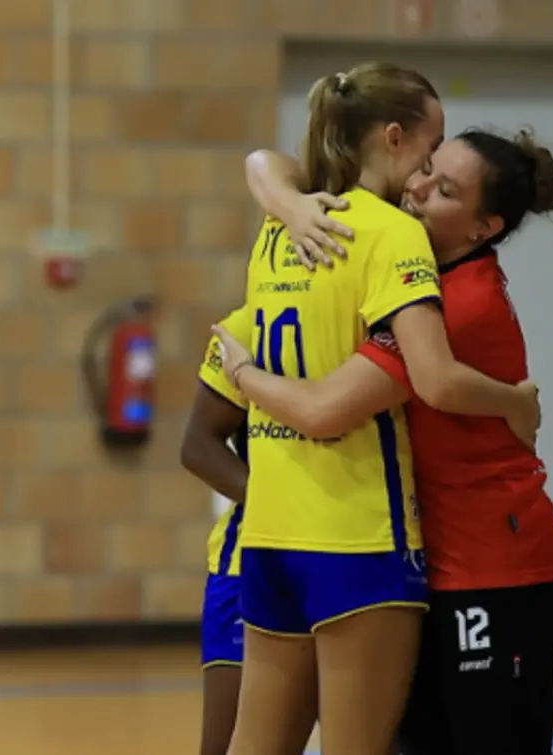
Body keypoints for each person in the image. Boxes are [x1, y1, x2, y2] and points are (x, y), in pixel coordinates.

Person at [214, 126, 553, 755]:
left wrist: (241, 372)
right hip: (433, 564)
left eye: (443, 190)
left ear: (482, 226)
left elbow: (329, 407)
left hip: (494, 568)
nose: (416, 189)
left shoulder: (451, 305)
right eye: (427, 167)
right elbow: (262, 160)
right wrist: (293, 204)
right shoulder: (409, 274)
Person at [181, 307, 316, 755]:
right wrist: (280, 506)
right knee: (228, 743)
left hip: (360, 551)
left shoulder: (384, 325)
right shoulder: (245, 329)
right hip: (251, 559)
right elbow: (197, 446)